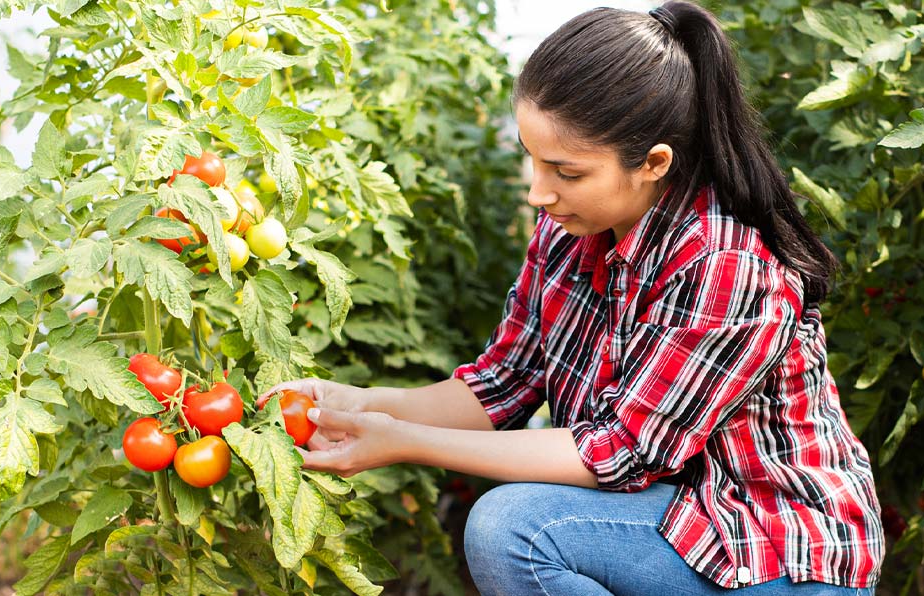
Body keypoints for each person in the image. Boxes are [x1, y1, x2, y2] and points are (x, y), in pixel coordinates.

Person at [261, 2, 885, 594]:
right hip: (675, 526)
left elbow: (617, 453)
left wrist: (402, 440)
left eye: (566, 172)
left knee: (515, 528)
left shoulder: (728, 267)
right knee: (514, 522)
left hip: (776, 551)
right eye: (534, 161)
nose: (540, 192)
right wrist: (363, 403)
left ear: (654, 162)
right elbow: (503, 384)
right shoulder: (569, 231)